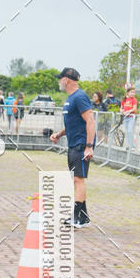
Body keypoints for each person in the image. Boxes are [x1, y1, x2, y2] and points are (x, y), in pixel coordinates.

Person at [49, 67, 94, 228]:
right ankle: (83, 217)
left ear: (67, 79)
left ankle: (76, 216)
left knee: (78, 179)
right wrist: (59, 135)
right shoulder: (70, 98)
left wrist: (88, 146)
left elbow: (90, 120)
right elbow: (72, 124)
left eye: (60, 78)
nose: (59, 81)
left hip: (81, 145)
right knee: (76, 179)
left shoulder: (79, 97)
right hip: (73, 143)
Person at [120, 84, 138, 149]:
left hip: (131, 117)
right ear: (127, 92)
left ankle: (132, 146)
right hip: (125, 117)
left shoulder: (134, 99)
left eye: (134, 92)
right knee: (127, 132)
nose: (133, 94)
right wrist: (122, 111)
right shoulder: (124, 99)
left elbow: (134, 108)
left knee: (130, 131)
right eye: (131, 92)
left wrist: (128, 111)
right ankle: (128, 145)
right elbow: (121, 108)